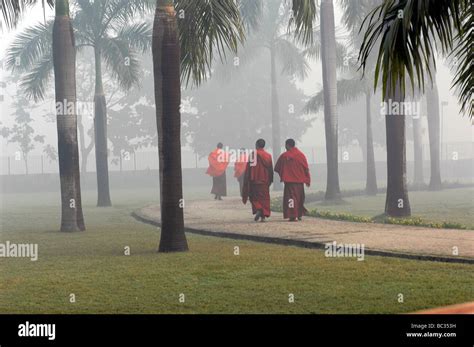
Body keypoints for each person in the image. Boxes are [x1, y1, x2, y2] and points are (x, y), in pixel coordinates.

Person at [274, 139, 311, 221]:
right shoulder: (301, 155)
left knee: (291, 199)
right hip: (300, 182)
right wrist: (307, 179)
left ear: (287, 145)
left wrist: (284, 173)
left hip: (290, 182)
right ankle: (299, 213)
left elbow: (277, 168)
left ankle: (292, 215)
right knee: (299, 198)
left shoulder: (284, 155)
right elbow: (306, 168)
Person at [242, 139, 274, 222]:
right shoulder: (268, 155)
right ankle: (263, 216)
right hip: (265, 180)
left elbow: (249, 168)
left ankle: (259, 208)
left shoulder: (253, 154)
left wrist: (247, 179)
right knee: (265, 198)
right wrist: (270, 180)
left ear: (256, 145)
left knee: (254, 197)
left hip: (255, 180)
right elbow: (270, 169)